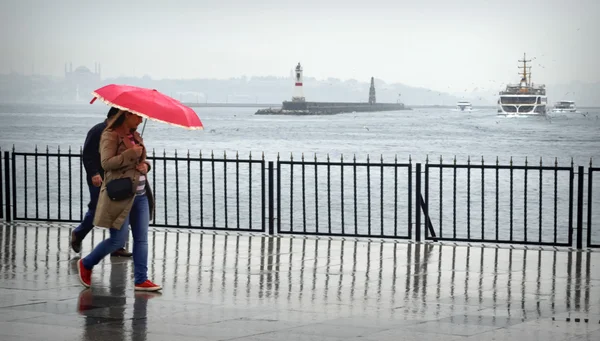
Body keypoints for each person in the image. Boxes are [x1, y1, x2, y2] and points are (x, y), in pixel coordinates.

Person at [77, 110, 161, 291]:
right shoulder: (109, 134)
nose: (141, 119)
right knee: (118, 240)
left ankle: (141, 279)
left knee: (141, 239)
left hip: (140, 194)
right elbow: (106, 163)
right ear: (126, 116)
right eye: (138, 116)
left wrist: (146, 165)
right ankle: (87, 263)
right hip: (120, 196)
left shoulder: (135, 135)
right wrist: (130, 154)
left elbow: (141, 162)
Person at [70, 107, 132, 257]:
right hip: (98, 178)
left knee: (117, 208)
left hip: (115, 177)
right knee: (97, 208)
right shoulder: (98, 130)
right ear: (115, 116)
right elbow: (87, 154)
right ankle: (78, 233)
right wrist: (94, 173)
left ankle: (117, 245)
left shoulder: (120, 132)